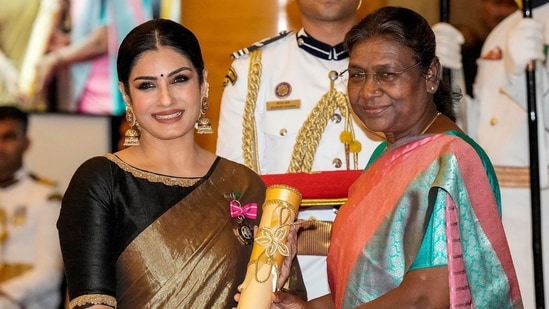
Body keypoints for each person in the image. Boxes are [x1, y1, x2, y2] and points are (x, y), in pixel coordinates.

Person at [269, 6, 522, 308]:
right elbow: (366, 286)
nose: (368, 91)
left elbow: (427, 298)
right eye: (357, 75)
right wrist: (307, 307)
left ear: (430, 74)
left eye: (387, 74)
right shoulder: (385, 154)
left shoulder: (449, 160)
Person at [57, 19, 305, 309]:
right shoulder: (102, 180)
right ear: (126, 95)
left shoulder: (244, 184)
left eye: (179, 79)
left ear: (203, 82)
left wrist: (273, 292)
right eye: (147, 85)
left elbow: (291, 301)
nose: (166, 99)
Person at [216, 0, 382, 299]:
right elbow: (236, 190)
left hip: (382, 265)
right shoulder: (254, 69)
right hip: (289, 271)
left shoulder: (392, 64)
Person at [0, 105, 64, 309]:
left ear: (25, 143)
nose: (0, 146)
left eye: (8, 137)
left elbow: (50, 273)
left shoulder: (45, 198)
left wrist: (5, 295)